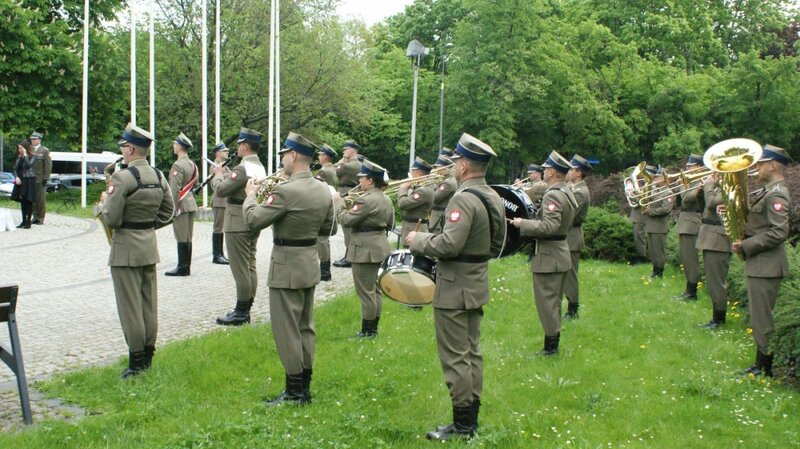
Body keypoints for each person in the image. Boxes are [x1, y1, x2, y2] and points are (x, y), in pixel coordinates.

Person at [405, 133, 505, 441]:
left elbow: (449, 244)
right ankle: (469, 421)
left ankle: (462, 426)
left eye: (455, 164)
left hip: (455, 286)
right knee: (472, 352)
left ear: (463, 166)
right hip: (475, 282)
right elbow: (499, 241)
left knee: (456, 357)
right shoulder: (492, 195)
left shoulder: (463, 198)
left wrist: (416, 240)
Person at [242, 132, 335, 405]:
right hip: (308, 261)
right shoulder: (322, 189)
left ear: (293, 155)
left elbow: (252, 221)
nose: (282, 159)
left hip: (286, 266)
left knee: (286, 329)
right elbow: (330, 228)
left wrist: (250, 196)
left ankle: (294, 392)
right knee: (306, 326)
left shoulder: (285, 190)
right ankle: (304, 385)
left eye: (284, 154)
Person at [101, 123, 174, 378]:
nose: (122, 151)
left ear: (131, 148)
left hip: (125, 249)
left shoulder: (122, 178)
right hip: (148, 246)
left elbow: (111, 219)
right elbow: (168, 212)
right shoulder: (158, 175)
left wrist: (102, 206)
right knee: (148, 305)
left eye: (123, 147)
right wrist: (146, 226)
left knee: (130, 307)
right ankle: (148, 355)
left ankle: (136, 362)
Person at [731, 145, 792, 377]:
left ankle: (764, 368)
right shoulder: (769, 190)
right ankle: (761, 363)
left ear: (773, 165)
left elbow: (778, 232)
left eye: (761, 163)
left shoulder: (776, 193)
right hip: (761, 265)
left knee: (762, 317)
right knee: (759, 317)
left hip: (767, 265)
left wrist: (746, 245)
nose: (757, 167)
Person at [511, 151, 577, 356]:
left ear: (551, 171)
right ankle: (553, 341)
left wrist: (523, 224)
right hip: (559, 253)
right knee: (553, 302)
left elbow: (550, 226)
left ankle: (551, 347)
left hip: (549, 256)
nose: (543, 171)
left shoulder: (554, 194)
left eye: (546, 169)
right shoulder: (566, 191)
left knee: (547, 303)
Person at [213, 128, 266, 326]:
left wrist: (218, 174)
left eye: (239, 144)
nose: (237, 148)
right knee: (250, 264)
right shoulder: (259, 167)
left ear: (245, 145)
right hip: (251, 217)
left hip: (237, 220)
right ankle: (247, 305)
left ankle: (241, 311)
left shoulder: (243, 168)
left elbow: (221, 190)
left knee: (240, 268)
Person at [337, 160, 394, 337]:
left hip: (364, 250)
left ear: (370, 180)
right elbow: (391, 224)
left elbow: (346, 220)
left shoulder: (365, 200)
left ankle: (367, 332)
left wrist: (339, 203)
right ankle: (373, 328)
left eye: (362, 178)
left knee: (365, 292)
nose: (359, 182)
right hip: (379, 247)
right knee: (375, 290)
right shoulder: (386, 198)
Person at [695, 173, 731, 329]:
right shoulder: (720, 186)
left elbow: (711, 204)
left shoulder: (730, 187)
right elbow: (704, 206)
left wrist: (709, 185)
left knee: (717, 282)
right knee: (712, 281)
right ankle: (716, 317)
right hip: (711, 236)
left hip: (718, 238)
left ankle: (719, 320)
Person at [165, 133, 198, 277]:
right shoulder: (192, 164)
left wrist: (172, 207)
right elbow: (194, 185)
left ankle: (182, 267)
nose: (173, 146)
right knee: (188, 236)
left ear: (179, 146)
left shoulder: (178, 165)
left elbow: (174, 189)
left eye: (175, 144)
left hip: (181, 205)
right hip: (190, 202)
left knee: (181, 236)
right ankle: (186, 266)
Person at [563, 154, 592, 319]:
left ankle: (573, 308)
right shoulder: (573, 187)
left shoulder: (580, 192)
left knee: (570, 275)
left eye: (572, 169)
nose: (568, 172)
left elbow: (570, 215)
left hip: (572, 237)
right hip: (569, 236)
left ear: (579, 173)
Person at [674, 154, 704, 300]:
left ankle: (692, 292)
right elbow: (680, 201)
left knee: (691, 259)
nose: (688, 169)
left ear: (698, 167)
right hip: (685, 221)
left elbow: (688, 198)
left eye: (691, 166)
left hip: (692, 222)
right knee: (686, 258)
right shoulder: (691, 182)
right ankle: (688, 289)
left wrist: (681, 184)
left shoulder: (700, 182)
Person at [332, 141, 363, 268]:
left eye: (346, 149)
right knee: (349, 228)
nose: (343, 152)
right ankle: (350, 255)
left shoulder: (349, 165)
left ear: (352, 150)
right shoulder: (357, 164)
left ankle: (349, 257)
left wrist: (343, 160)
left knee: (347, 228)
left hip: (347, 196)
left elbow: (334, 169)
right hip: (352, 195)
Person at [398, 157, 435, 247]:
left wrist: (403, 189)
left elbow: (402, 204)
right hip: (410, 229)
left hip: (416, 230)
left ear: (418, 173)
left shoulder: (423, 190)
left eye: (412, 172)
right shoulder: (419, 188)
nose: (411, 175)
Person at [643, 167, 673, 279]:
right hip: (651, 225)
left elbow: (666, 209)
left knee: (658, 251)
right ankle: (654, 271)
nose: (655, 179)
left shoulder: (668, 192)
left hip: (659, 226)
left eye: (658, 177)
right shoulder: (656, 190)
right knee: (652, 251)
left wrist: (650, 211)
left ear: (664, 179)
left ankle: (659, 273)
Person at [316, 144, 339, 281]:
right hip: (332, 204)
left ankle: (325, 272)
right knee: (324, 239)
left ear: (325, 156)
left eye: (320, 155)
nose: (318, 157)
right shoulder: (334, 169)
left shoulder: (324, 171)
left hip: (324, 205)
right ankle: (325, 270)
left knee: (322, 239)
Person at [210, 142, 231, 265]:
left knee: (221, 228)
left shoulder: (225, 166)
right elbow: (215, 184)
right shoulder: (215, 166)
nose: (227, 153)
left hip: (224, 201)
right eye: (225, 151)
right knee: (218, 228)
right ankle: (216, 255)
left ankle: (220, 253)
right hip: (219, 201)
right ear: (218, 153)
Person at [430, 148, 457, 235]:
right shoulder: (444, 180)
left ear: (445, 168)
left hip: (440, 218)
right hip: (437, 216)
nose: (436, 169)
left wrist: (429, 184)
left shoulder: (448, 182)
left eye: (438, 167)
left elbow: (434, 198)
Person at [12, 140, 36, 229]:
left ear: (26, 148)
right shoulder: (18, 157)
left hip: (29, 180)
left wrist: (25, 155)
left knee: (28, 200)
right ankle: (23, 220)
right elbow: (15, 168)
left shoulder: (33, 156)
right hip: (20, 180)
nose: (20, 150)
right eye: (19, 148)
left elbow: (28, 165)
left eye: (21, 148)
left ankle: (28, 221)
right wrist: (16, 177)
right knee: (22, 200)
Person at [30, 131, 52, 225]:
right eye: (31, 139)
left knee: (40, 199)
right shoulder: (30, 150)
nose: (32, 141)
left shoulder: (44, 150)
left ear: (39, 140)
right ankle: (34, 216)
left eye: (34, 139)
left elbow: (48, 165)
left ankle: (40, 217)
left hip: (40, 178)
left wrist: (46, 178)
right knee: (33, 199)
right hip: (31, 178)